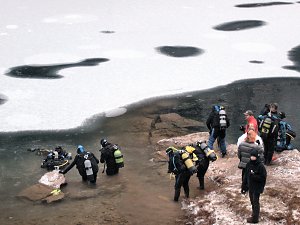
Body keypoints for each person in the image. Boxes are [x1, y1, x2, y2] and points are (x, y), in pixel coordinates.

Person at [241, 149, 267, 224]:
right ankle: (254, 214)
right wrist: (244, 187)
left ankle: (255, 219)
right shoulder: (248, 164)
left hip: (257, 188)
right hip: (250, 187)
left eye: (254, 156)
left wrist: (254, 176)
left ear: (257, 156)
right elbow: (246, 176)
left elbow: (263, 178)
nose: (252, 158)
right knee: (252, 201)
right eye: (251, 156)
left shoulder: (260, 166)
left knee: (255, 202)